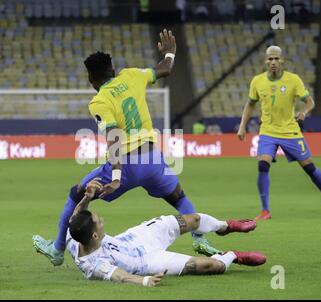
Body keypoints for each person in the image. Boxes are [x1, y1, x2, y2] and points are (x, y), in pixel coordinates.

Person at [33, 29, 222, 267]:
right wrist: (171, 53)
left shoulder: (99, 100)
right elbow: (164, 69)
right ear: (113, 70)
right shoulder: (132, 75)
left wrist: (116, 176)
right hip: (153, 160)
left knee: (76, 193)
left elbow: (113, 137)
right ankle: (200, 238)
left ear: (91, 79)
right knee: (178, 197)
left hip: (127, 165)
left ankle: (58, 249)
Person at [33, 179, 266, 286]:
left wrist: (86, 196)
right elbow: (120, 276)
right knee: (210, 266)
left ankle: (226, 226)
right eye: (99, 222)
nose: (101, 220)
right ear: (94, 236)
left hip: (136, 238)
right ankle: (234, 255)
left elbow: (75, 215)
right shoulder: (94, 265)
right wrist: (145, 281)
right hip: (148, 262)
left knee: (192, 219)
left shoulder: (75, 234)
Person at [237, 46, 321, 220]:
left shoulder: (293, 80)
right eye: (270, 59)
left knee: (309, 167)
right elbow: (250, 104)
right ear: (265, 61)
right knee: (262, 165)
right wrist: (242, 126)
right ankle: (265, 211)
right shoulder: (257, 81)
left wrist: (303, 112)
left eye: (276, 59)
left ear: (282, 61)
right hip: (268, 131)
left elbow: (310, 102)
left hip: (290, 131)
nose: (273, 62)